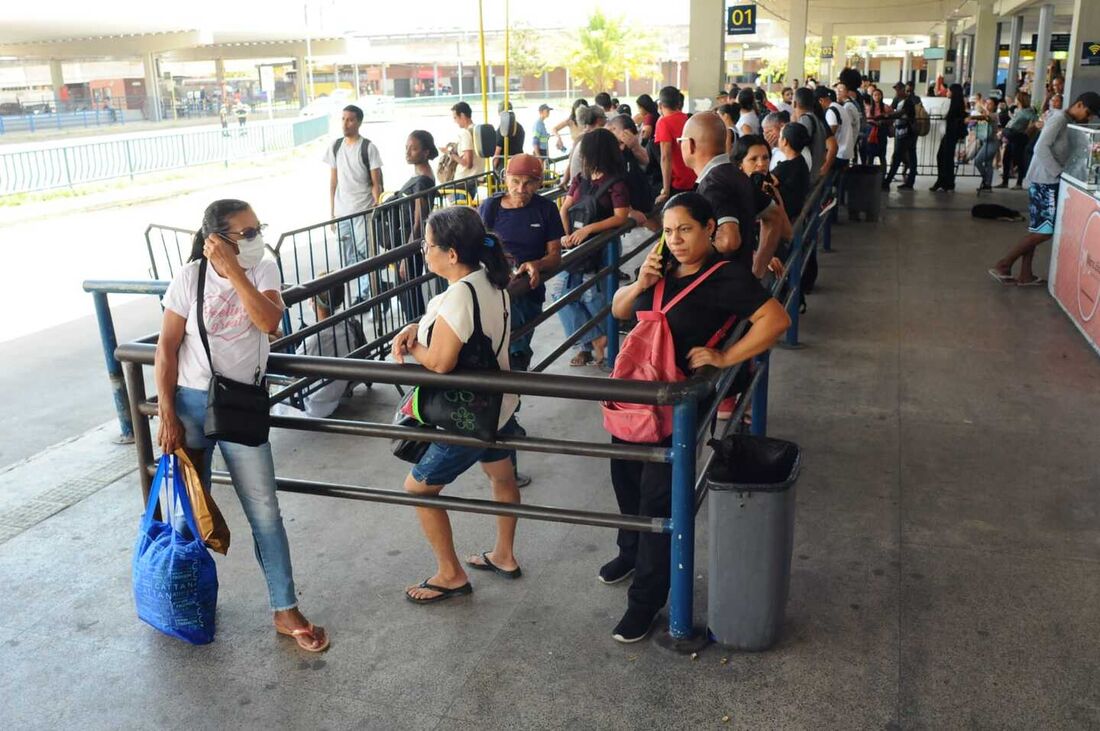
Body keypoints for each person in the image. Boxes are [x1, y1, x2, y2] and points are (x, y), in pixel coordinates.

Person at [603, 193, 791, 642]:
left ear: (710, 228)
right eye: (668, 232)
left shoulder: (726, 277)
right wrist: (639, 282)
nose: (676, 240)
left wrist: (725, 356)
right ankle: (629, 550)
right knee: (624, 478)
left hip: (676, 405)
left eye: (685, 229)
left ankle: (646, 602)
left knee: (657, 502)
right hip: (635, 394)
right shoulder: (660, 267)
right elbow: (618, 309)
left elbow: (776, 320)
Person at [156, 198, 329, 652]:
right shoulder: (188, 278)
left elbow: (270, 322)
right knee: (185, 509)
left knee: (265, 512)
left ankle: (284, 607)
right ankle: (184, 596)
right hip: (192, 402)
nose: (256, 239)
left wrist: (235, 271)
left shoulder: (263, 269)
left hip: (241, 403)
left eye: (258, 229)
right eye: (246, 233)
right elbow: (166, 348)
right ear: (216, 239)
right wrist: (168, 413)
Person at [391, 207, 523, 604]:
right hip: (498, 406)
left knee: (417, 490)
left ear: (451, 254)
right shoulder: (488, 278)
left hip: (464, 417)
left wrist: (413, 344)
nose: (423, 251)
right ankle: (504, 555)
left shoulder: (460, 294)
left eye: (427, 245)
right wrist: (419, 327)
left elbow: (441, 362)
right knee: (501, 477)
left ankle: (450, 573)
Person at [990, 92, 1100, 285]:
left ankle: (1025, 274)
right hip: (1045, 182)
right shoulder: (1059, 119)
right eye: (1088, 112)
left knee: (1037, 228)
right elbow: (1041, 148)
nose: (1088, 117)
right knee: (1044, 232)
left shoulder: (1068, 122)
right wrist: (1059, 173)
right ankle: (1004, 264)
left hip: (1047, 180)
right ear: (1079, 104)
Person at [479, 154, 563, 372]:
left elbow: (555, 255)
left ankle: (510, 397)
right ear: (505, 179)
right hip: (492, 288)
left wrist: (537, 264)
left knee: (515, 351)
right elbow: (477, 243)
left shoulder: (546, 209)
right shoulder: (491, 207)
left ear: (538, 183)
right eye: (515, 181)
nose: (521, 188)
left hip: (526, 292)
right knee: (489, 351)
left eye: (528, 183)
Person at [554, 128, 630, 367]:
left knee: (591, 295)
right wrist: (566, 236)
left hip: (601, 248)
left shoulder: (616, 183)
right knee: (560, 293)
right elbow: (565, 208)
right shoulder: (580, 179)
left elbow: (621, 216)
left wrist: (588, 230)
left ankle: (595, 345)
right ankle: (594, 339)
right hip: (577, 247)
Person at [680, 113, 789, 278]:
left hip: (720, 287)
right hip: (742, 279)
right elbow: (774, 215)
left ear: (691, 145)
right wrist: (758, 268)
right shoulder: (736, 175)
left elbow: (729, 240)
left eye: (680, 142)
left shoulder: (711, 184)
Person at [274, 275, 363, 419]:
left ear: (313, 300)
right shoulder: (347, 328)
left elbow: (291, 369)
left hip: (311, 407)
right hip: (332, 398)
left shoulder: (313, 340)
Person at [324, 104, 384, 299]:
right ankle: (373, 289)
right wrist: (332, 212)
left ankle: (366, 293)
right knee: (348, 258)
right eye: (343, 119)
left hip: (363, 210)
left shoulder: (368, 148)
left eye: (350, 119)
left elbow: (376, 182)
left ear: (358, 122)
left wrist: (376, 204)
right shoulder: (335, 146)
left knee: (365, 254)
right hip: (343, 213)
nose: (345, 123)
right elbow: (333, 181)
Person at [392, 130, 439, 319]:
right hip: (409, 239)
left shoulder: (422, 181)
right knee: (407, 288)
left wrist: (406, 255)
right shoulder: (421, 175)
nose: (408, 152)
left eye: (413, 149)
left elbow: (420, 220)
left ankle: (417, 327)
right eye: (406, 148)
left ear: (426, 152)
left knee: (408, 289)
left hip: (411, 241)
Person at [653, 86, 696, 207]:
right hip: (694, 177)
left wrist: (665, 190)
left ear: (660, 104)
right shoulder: (687, 118)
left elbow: (666, 156)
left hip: (678, 182)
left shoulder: (664, 122)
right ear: (678, 103)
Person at [794, 87, 837, 183]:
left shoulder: (805, 120)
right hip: (816, 172)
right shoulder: (817, 119)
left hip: (809, 173)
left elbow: (796, 146)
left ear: (795, 103)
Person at [996, 91, 1037, 190]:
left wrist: (1029, 130)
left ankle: (1019, 183)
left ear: (1020, 99)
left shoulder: (1028, 111)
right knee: (1006, 158)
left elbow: (1035, 120)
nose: (1014, 100)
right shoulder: (1018, 110)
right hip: (1011, 136)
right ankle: (1005, 181)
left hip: (1018, 137)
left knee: (1018, 159)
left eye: (1016, 98)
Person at [772, 122, 812, 222]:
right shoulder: (801, 161)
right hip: (796, 211)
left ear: (784, 141)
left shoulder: (784, 168)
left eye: (780, 137)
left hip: (786, 216)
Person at [931, 83, 967, 192]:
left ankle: (945, 182)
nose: (947, 92)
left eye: (949, 91)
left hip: (951, 134)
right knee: (944, 157)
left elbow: (955, 119)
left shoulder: (955, 105)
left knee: (945, 158)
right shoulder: (955, 104)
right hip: (950, 134)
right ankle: (945, 182)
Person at [883, 81, 918, 190]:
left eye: (898, 90)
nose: (896, 92)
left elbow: (900, 113)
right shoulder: (900, 100)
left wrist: (886, 115)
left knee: (898, 156)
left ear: (903, 90)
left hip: (906, 133)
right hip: (904, 132)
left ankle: (887, 181)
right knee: (910, 157)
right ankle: (909, 182)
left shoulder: (908, 101)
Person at [443, 101, 485, 184]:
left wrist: (449, 153)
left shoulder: (465, 133)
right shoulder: (478, 131)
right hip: (477, 177)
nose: (455, 121)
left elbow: (468, 164)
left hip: (464, 180)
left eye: (455, 118)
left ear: (462, 115)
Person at [972, 98, 1001, 192]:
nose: (988, 105)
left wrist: (982, 108)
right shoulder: (988, 114)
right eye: (986, 103)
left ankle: (986, 180)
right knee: (988, 164)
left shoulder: (994, 115)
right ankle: (987, 185)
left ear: (994, 106)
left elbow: (986, 117)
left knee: (977, 161)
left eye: (990, 104)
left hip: (993, 143)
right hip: (987, 142)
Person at [493, 101, 526, 173]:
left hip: (505, 166)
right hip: (519, 162)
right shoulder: (520, 127)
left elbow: (497, 154)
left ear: (500, 114)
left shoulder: (502, 130)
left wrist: (493, 169)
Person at [863, 88, 891, 170]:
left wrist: (884, 121)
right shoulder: (869, 108)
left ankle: (882, 176)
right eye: (875, 95)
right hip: (871, 133)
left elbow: (891, 120)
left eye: (879, 95)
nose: (877, 97)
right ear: (872, 96)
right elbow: (866, 120)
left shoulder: (886, 108)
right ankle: (868, 176)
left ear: (882, 96)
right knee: (870, 156)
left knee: (882, 156)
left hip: (882, 133)